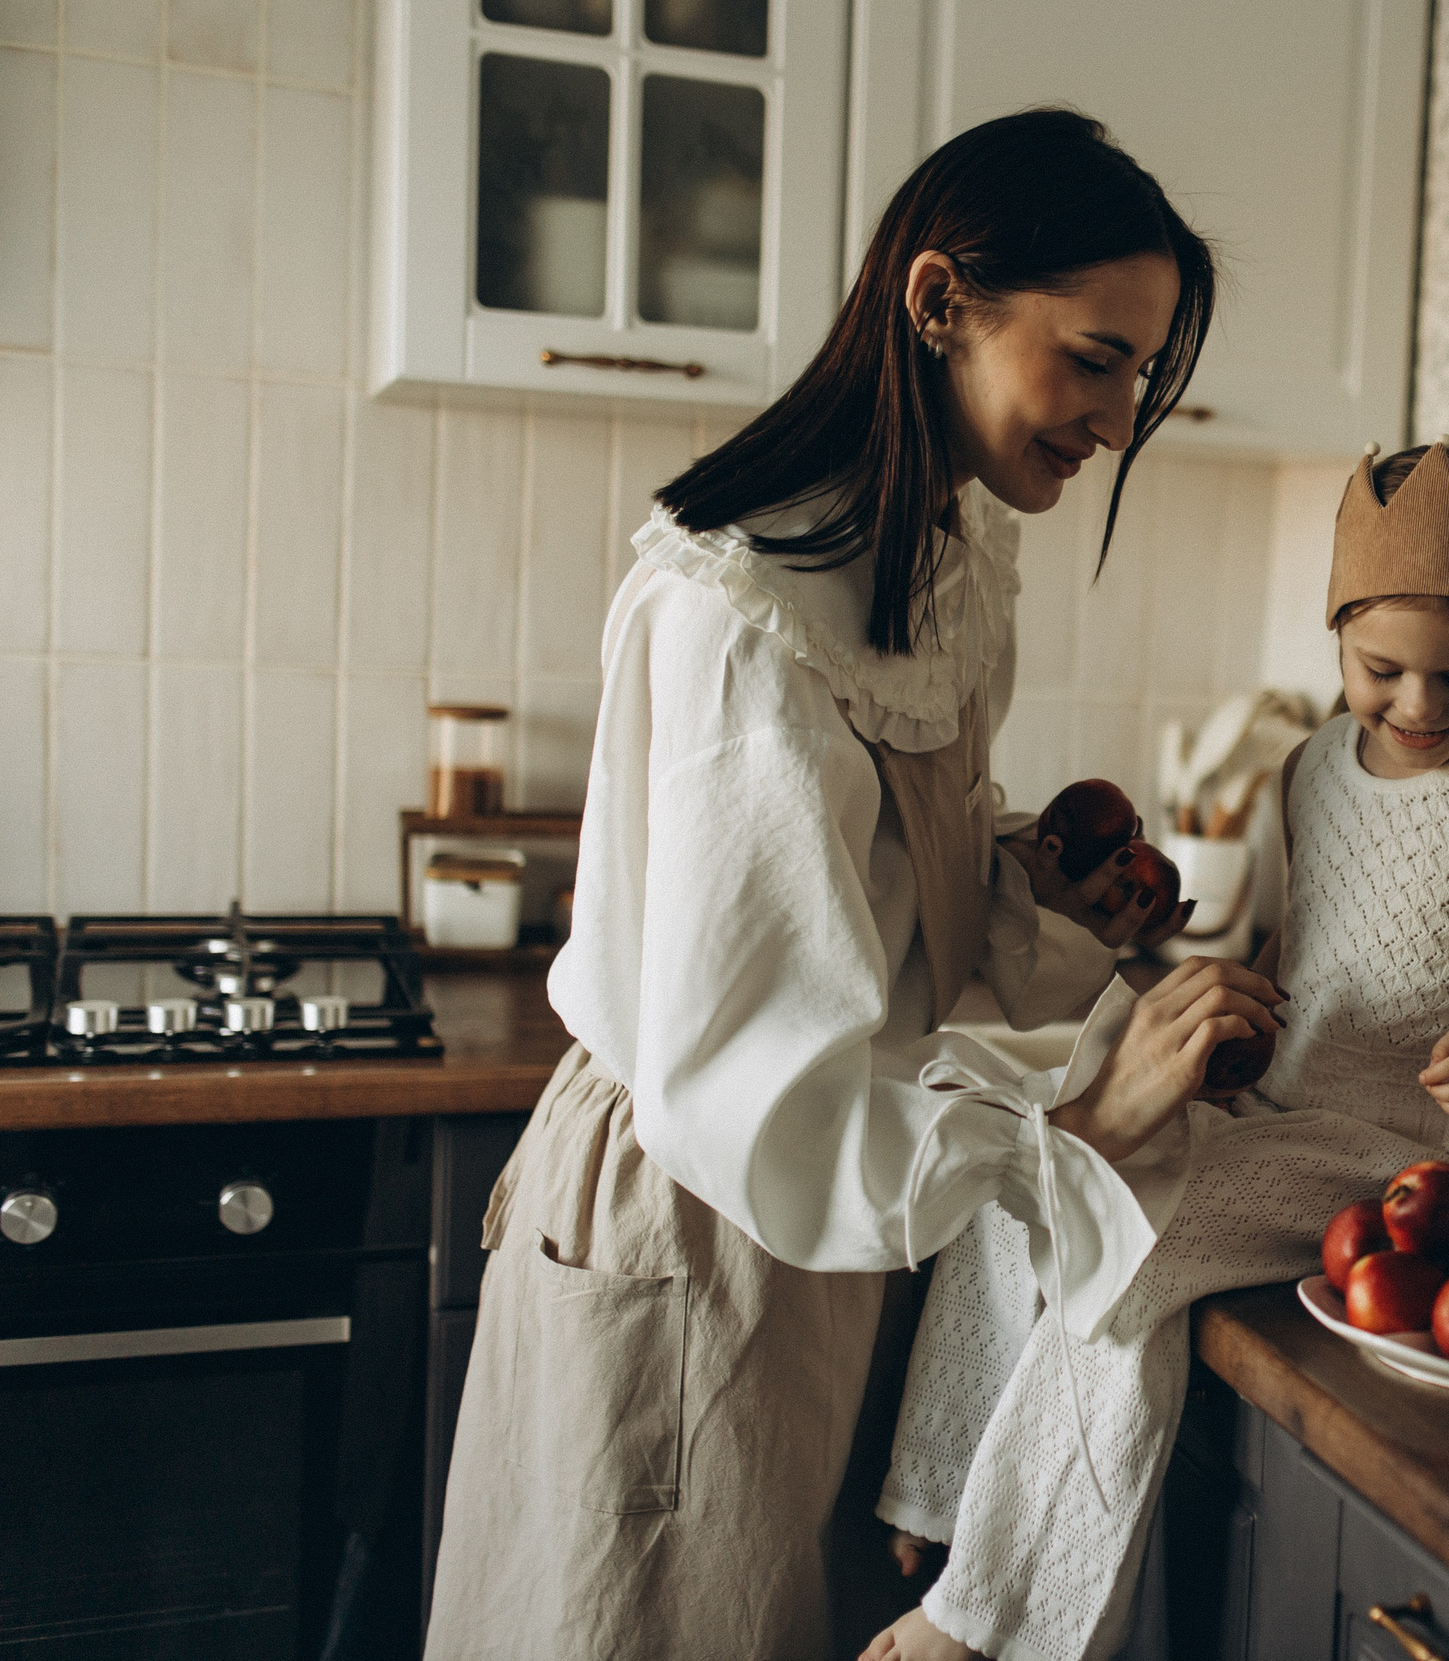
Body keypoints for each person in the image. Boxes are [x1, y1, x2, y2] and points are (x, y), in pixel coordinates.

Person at [424, 109, 1287, 1661]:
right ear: (942, 300)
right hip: (709, 1212)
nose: (1116, 412)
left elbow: (875, 902)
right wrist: (1075, 1129)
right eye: (1094, 356)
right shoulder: (740, 607)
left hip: (838, 1212)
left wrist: (1036, 888)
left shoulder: (947, 551)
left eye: (1140, 373)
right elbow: (750, 1065)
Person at [866, 440, 1449, 1661]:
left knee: (1128, 1253)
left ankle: (985, 1623)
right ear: (1336, 636)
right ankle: (941, 1487)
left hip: (1403, 1157)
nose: (1422, 707)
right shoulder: (1307, 769)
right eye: (1381, 669)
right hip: (1274, 1109)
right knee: (1021, 1162)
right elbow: (1305, 942)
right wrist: (1202, 986)